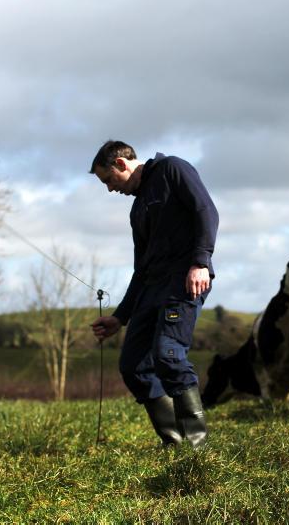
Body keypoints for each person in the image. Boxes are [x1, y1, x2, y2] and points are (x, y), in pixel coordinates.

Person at [89, 140, 219, 448]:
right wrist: (120, 317)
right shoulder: (137, 210)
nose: (110, 189)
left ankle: (196, 446)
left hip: (185, 281)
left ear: (121, 164)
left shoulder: (173, 169)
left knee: (168, 353)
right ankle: (173, 443)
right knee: (133, 365)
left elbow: (206, 211)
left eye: (108, 180)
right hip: (151, 289)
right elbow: (141, 269)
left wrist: (200, 262)